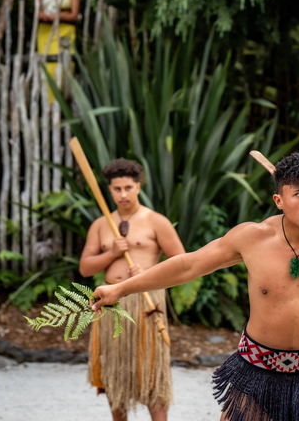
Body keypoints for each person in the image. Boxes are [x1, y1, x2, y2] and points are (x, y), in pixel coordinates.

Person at [91, 152, 299, 421]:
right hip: (255, 371)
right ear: (279, 200)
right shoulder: (252, 238)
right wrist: (121, 289)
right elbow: (187, 265)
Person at [80, 158, 186, 421]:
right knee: (115, 374)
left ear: (138, 187)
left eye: (128, 187)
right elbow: (85, 267)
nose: (123, 194)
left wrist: (149, 274)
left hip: (145, 303)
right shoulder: (101, 224)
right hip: (110, 304)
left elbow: (181, 263)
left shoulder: (155, 221)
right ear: (110, 190)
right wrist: (112, 253)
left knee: (152, 373)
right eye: (117, 189)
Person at [35, 0, 80, 100]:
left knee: (64, 66)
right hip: (45, 32)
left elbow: (74, 15)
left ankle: (63, 103)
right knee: (47, 67)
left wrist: (56, 16)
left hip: (65, 31)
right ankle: (49, 106)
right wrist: (46, 16)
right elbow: (38, 12)